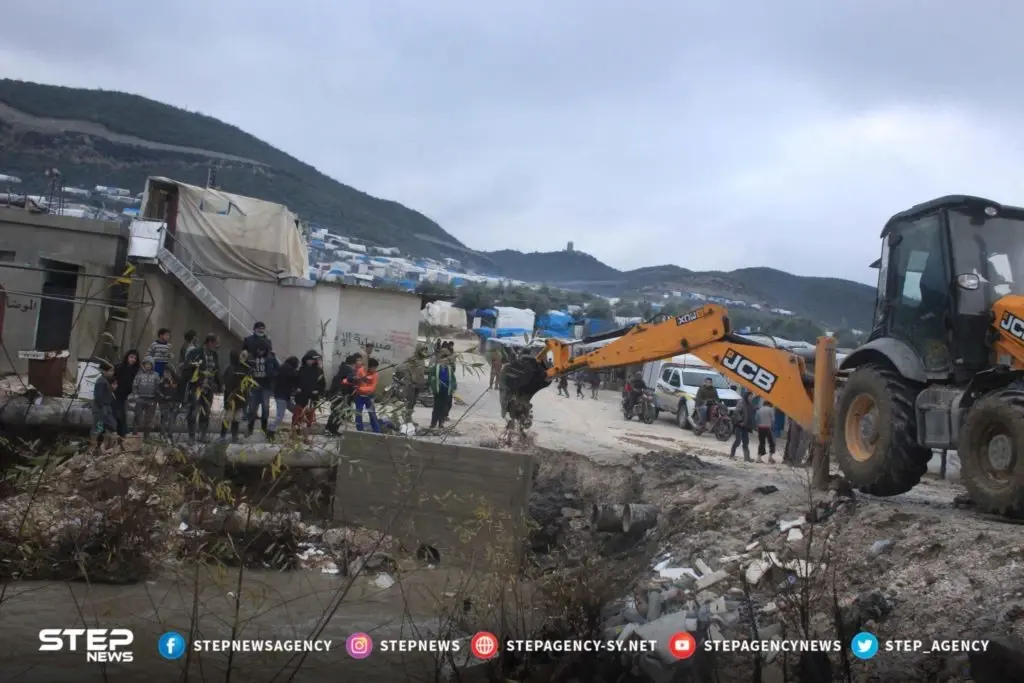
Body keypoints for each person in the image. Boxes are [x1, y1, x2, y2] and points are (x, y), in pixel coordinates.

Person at [184, 333, 221, 443]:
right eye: (215, 344)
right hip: (196, 387)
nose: (216, 346)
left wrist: (218, 384)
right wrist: (197, 380)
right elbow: (187, 368)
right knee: (193, 411)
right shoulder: (195, 353)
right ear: (209, 342)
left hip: (209, 388)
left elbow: (216, 370)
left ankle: (202, 435)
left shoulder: (214, 354)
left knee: (206, 411)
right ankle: (191, 436)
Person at [246, 342, 278, 437]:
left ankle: (264, 428)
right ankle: (250, 428)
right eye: (259, 350)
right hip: (253, 385)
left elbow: (277, 368)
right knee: (252, 407)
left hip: (266, 386)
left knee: (265, 407)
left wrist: (272, 376)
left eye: (262, 350)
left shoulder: (270, 358)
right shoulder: (250, 357)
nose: (260, 352)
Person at [292, 350, 325, 438]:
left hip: (312, 397)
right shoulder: (301, 370)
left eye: (312, 360)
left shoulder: (319, 371)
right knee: (297, 415)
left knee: (309, 417)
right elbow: (295, 381)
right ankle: (295, 432)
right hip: (301, 396)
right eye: (308, 359)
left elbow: (322, 384)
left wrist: (318, 390)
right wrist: (297, 388)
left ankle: (306, 435)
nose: (310, 361)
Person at [326, 353, 358, 435]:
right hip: (342, 395)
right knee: (339, 413)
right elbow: (349, 384)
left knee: (335, 412)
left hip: (336, 394)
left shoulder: (342, 369)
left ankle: (329, 429)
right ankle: (332, 430)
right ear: (353, 363)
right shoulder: (349, 371)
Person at [220, 350, 248, 443]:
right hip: (231, 398)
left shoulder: (242, 368)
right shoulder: (231, 368)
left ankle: (234, 436)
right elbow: (227, 384)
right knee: (228, 417)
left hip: (238, 397)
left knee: (236, 418)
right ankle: (223, 436)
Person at [396, 346, 428, 424]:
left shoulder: (422, 361)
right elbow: (401, 367)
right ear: (418, 350)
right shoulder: (412, 359)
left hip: (418, 385)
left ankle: (409, 418)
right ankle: (406, 419)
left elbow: (422, 371)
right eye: (423, 350)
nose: (424, 352)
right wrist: (409, 376)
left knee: (413, 402)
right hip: (411, 385)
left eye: (425, 351)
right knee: (409, 402)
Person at [90, 363, 118, 454]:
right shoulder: (101, 381)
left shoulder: (106, 381)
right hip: (100, 408)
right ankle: (93, 448)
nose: (112, 372)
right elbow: (98, 397)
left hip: (106, 407)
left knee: (111, 425)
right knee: (98, 428)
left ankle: (105, 446)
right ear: (104, 371)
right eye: (110, 371)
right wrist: (102, 409)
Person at [271, 355, 300, 440]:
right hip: (281, 396)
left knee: (296, 411)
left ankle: (296, 428)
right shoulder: (287, 370)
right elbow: (294, 377)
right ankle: (270, 430)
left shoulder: (284, 368)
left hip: (284, 396)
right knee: (280, 416)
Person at [112, 349, 139, 439]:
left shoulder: (136, 370)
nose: (133, 359)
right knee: (118, 413)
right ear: (127, 357)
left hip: (128, 395)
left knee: (123, 414)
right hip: (117, 393)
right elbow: (113, 377)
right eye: (131, 357)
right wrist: (114, 385)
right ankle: (120, 432)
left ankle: (122, 433)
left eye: (135, 358)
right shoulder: (119, 367)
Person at [131, 356, 160, 441]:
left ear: (152, 365)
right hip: (140, 398)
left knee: (149, 419)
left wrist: (157, 398)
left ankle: (146, 437)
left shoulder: (156, 375)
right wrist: (135, 395)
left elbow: (158, 387)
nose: (148, 366)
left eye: (149, 364)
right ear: (143, 364)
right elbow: (135, 385)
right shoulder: (139, 374)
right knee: (137, 416)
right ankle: (134, 435)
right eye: (146, 364)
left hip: (151, 400)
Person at [428, 348, 457, 429]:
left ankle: (441, 423)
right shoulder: (436, 368)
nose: (445, 360)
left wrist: (453, 387)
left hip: (446, 390)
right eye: (443, 358)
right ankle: (433, 423)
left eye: (446, 358)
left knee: (444, 407)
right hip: (438, 390)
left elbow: (453, 379)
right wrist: (433, 385)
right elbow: (430, 377)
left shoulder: (449, 369)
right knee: (437, 407)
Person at [354, 357, 382, 433]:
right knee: (358, 413)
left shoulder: (375, 374)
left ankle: (376, 430)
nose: (375, 369)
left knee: (372, 413)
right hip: (359, 396)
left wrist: (361, 389)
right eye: (374, 368)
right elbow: (356, 383)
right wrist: (360, 388)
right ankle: (359, 430)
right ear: (369, 367)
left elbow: (372, 388)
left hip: (369, 397)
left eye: (376, 368)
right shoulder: (360, 371)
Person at [730, 391, 756, 462]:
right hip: (739, 425)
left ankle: (747, 458)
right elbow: (736, 412)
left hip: (746, 426)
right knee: (737, 441)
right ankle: (731, 455)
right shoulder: (741, 403)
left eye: (752, 396)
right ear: (746, 396)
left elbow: (751, 414)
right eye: (750, 396)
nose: (751, 398)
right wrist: (740, 421)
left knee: (746, 442)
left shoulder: (750, 404)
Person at [157, 365, 180, 441]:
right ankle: (162, 434)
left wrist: (178, 401)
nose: (166, 374)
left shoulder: (177, 380)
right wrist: (162, 398)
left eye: (168, 372)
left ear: (172, 372)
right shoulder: (162, 381)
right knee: (164, 419)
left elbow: (179, 391)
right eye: (165, 372)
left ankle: (170, 435)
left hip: (174, 403)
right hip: (164, 403)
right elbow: (158, 391)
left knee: (172, 419)